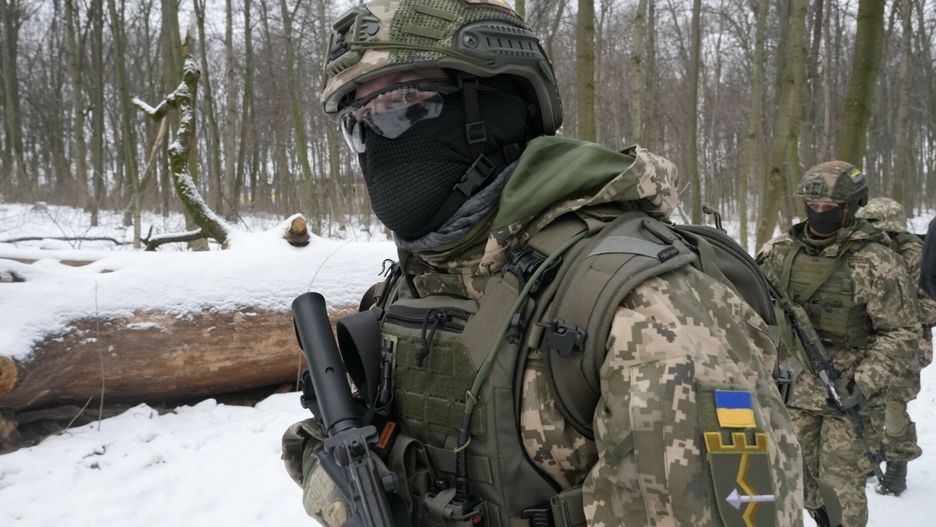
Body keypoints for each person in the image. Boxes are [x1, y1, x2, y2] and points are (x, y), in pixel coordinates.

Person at [282, 1, 804, 525]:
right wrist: (331, 477)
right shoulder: (417, 284)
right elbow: (355, 439)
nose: (375, 139)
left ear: (496, 106)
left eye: (400, 104)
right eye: (357, 121)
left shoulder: (648, 311)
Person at [757, 163, 921, 526]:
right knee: (791, 483)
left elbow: (902, 332)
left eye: (829, 206)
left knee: (841, 494)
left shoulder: (876, 261)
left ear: (852, 206)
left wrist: (862, 383)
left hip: (848, 400)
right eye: (812, 204)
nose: (818, 212)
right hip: (791, 393)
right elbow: (754, 313)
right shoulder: (780, 252)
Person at [855, 197, 936, 495]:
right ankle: (871, 456)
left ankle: (897, 467)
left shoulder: (916, 255)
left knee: (893, 407)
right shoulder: (866, 253)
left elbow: (931, 304)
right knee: (865, 402)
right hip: (868, 342)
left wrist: (898, 312)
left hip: (908, 345)